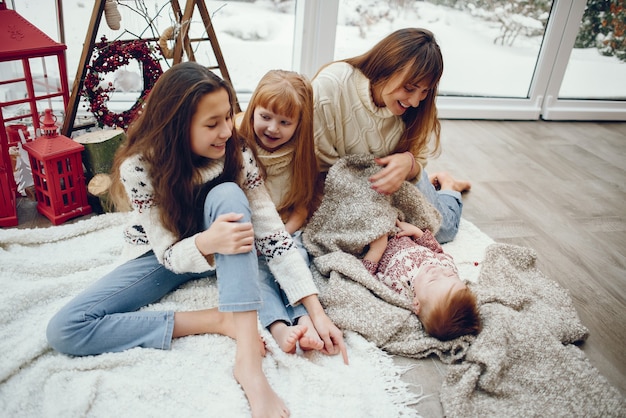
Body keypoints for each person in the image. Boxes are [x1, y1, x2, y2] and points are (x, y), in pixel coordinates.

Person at [46, 62, 345, 418]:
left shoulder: (236, 150)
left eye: (227, 118)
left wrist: (317, 311)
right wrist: (207, 243)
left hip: (226, 251)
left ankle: (248, 363)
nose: (226, 132)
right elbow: (168, 254)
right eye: (211, 124)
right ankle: (219, 320)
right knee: (64, 329)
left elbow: (272, 233)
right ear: (178, 124)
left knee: (230, 197)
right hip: (166, 256)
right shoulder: (139, 167)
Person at [312, 27, 471, 244]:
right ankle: (434, 182)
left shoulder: (416, 108)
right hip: (348, 186)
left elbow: (419, 157)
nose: (415, 101)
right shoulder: (332, 85)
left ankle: (449, 187)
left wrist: (410, 163)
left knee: (442, 231)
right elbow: (318, 163)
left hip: (394, 181)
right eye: (409, 88)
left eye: (424, 92)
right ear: (385, 67)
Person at [238, 69, 328, 355]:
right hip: (250, 234)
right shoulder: (237, 148)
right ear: (253, 111)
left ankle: (304, 319)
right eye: (265, 117)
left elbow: (300, 210)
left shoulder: (300, 156)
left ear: (299, 125)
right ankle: (279, 327)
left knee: (296, 260)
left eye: (284, 122)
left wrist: (280, 237)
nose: (273, 128)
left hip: (285, 228)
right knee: (258, 275)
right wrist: (258, 243)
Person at [361, 219, 481, 341]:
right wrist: (417, 232)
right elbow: (436, 250)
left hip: (377, 240)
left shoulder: (399, 289)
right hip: (404, 229)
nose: (438, 270)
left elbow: (366, 279)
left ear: (416, 303)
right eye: (450, 275)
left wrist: (376, 251)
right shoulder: (447, 267)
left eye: (432, 280)